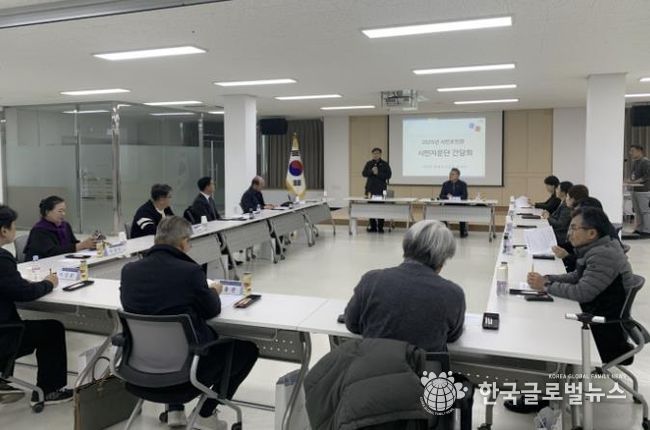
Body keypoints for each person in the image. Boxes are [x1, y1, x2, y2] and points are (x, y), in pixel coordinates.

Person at [120, 216, 258, 428]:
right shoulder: (190, 272)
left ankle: (174, 410)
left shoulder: (129, 271)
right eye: (190, 242)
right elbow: (212, 310)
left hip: (139, 368)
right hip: (185, 371)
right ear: (183, 242)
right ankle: (205, 414)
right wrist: (214, 290)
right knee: (246, 350)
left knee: (166, 337)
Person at [529, 207, 635, 364]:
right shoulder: (596, 248)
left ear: (591, 233)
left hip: (603, 332)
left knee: (542, 323)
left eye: (573, 228)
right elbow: (576, 276)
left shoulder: (604, 254)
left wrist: (546, 286)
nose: (569, 234)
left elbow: (582, 292)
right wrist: (548, 278)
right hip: (596, 316)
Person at [344, 220, 466, 352]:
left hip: (373, 363)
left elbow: (351, 324)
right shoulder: (453, 294)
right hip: (424, 365)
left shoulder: (371, 280)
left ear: (406, 246)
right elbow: (453, 336)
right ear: (442, 260)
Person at [0, 205, 72, 406]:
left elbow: (10, 286)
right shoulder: (2, 258)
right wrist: (48, 283)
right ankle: (50, 391)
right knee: (52, 329)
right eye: (14, 225)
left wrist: (19, 283)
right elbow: (25, 294)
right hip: (4, 336)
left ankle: (3, 379)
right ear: (4, 230)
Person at [24, 195, 96, 261]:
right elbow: (52, 252)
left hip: (62, 261)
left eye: (64, 211)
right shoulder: (39, 230)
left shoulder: (65, 225)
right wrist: (81, 245)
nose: (63, 214)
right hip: (41, 265)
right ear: (47, 212)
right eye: (60, 211)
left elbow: (73, 243)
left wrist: (89, 244)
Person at [361, 147, 392, 233]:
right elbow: (364, 173)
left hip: (380, 190)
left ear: (380, 154)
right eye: (374, 153)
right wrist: (371, 171)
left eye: (377, 153)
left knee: (380, 208)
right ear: (372, 154)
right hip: (370, 189)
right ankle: (373, 227)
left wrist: (378, 173)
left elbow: (388, 175)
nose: (376, 155)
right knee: (371, 209)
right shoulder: (369, 163)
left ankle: (380, 227)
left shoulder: (385, 164)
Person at [439, 168, 469, 237]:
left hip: (460, 205)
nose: (450, 175)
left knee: (462, 213)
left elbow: (464, 196)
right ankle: (445, 230)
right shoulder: (445, 184)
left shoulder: (463, 184)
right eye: (450, 174)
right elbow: (441, 196)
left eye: (452, 174)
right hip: (448, 205)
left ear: (458, 176)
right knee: (440, 212)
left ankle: (463, 232)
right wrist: (447, 197)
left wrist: (453, 197)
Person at [628, 145, 650, 235]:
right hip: (635, 189)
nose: (630, 153)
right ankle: (639, 228)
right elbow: (633, 176)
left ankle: (647, 230)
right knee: (637, 211)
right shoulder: (635, 162)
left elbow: (647, 176)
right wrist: (630, 181)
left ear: (639, 151)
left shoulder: (646, 162)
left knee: (645, 211)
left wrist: (635, 181)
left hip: (643, 190)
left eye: (632, 151)